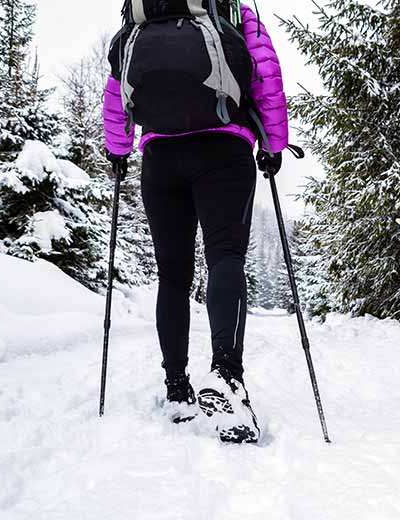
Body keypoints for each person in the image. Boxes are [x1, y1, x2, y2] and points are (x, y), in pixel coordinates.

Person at [102, 1, 288, 443]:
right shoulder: (233, 10)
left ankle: (177, 388)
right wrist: (273, 144)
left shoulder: (142, 16)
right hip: (225, 150)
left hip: (161, 156)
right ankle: (227, 376)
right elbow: (265, 75)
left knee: (173, 274)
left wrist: (118, 148)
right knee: (225, 257)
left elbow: (116, 87)